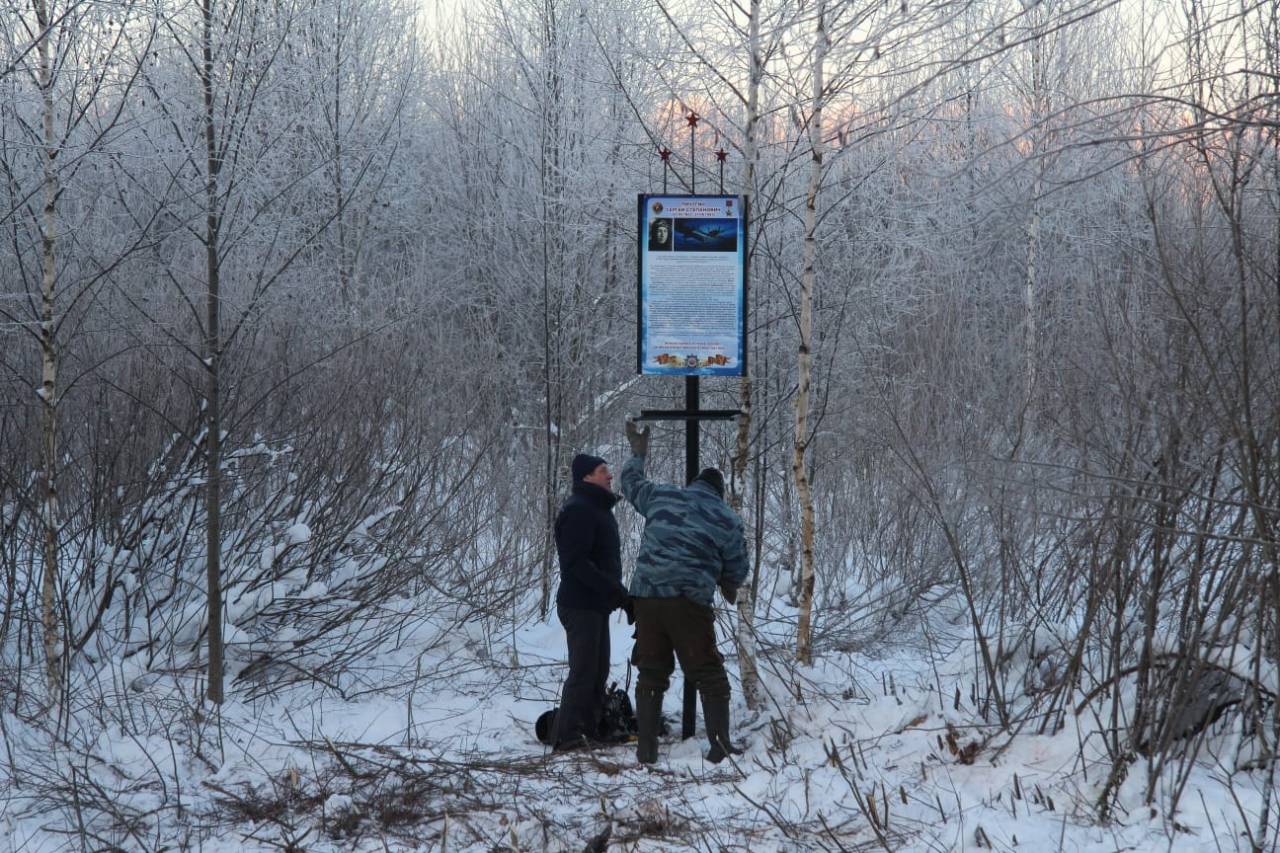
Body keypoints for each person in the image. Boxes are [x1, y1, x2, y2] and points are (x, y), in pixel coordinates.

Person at [620, 421, 749, 764]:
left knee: (652, 670)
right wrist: (724, 579)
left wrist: (638, 453)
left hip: (645, 598)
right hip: (688, 601)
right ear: (719, 492)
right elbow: (738, 570)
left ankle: (646, 749)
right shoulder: (726, 518)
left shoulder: (662, 496)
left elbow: (630, 484)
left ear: (694, 485)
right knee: (708, 672)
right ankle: (720, 746)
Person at [550, 453, 630, 752]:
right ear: (586, 477)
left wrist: (618, 597)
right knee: (584, 671)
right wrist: (616, 592)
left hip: (595, 605)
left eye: (608, 470)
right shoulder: (579, 510)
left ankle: (591, 730)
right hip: (579, 604)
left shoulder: (595, 508)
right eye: (602, 470)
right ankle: (567, 736)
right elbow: (576, 565)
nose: (610, 475)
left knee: (597, 670)